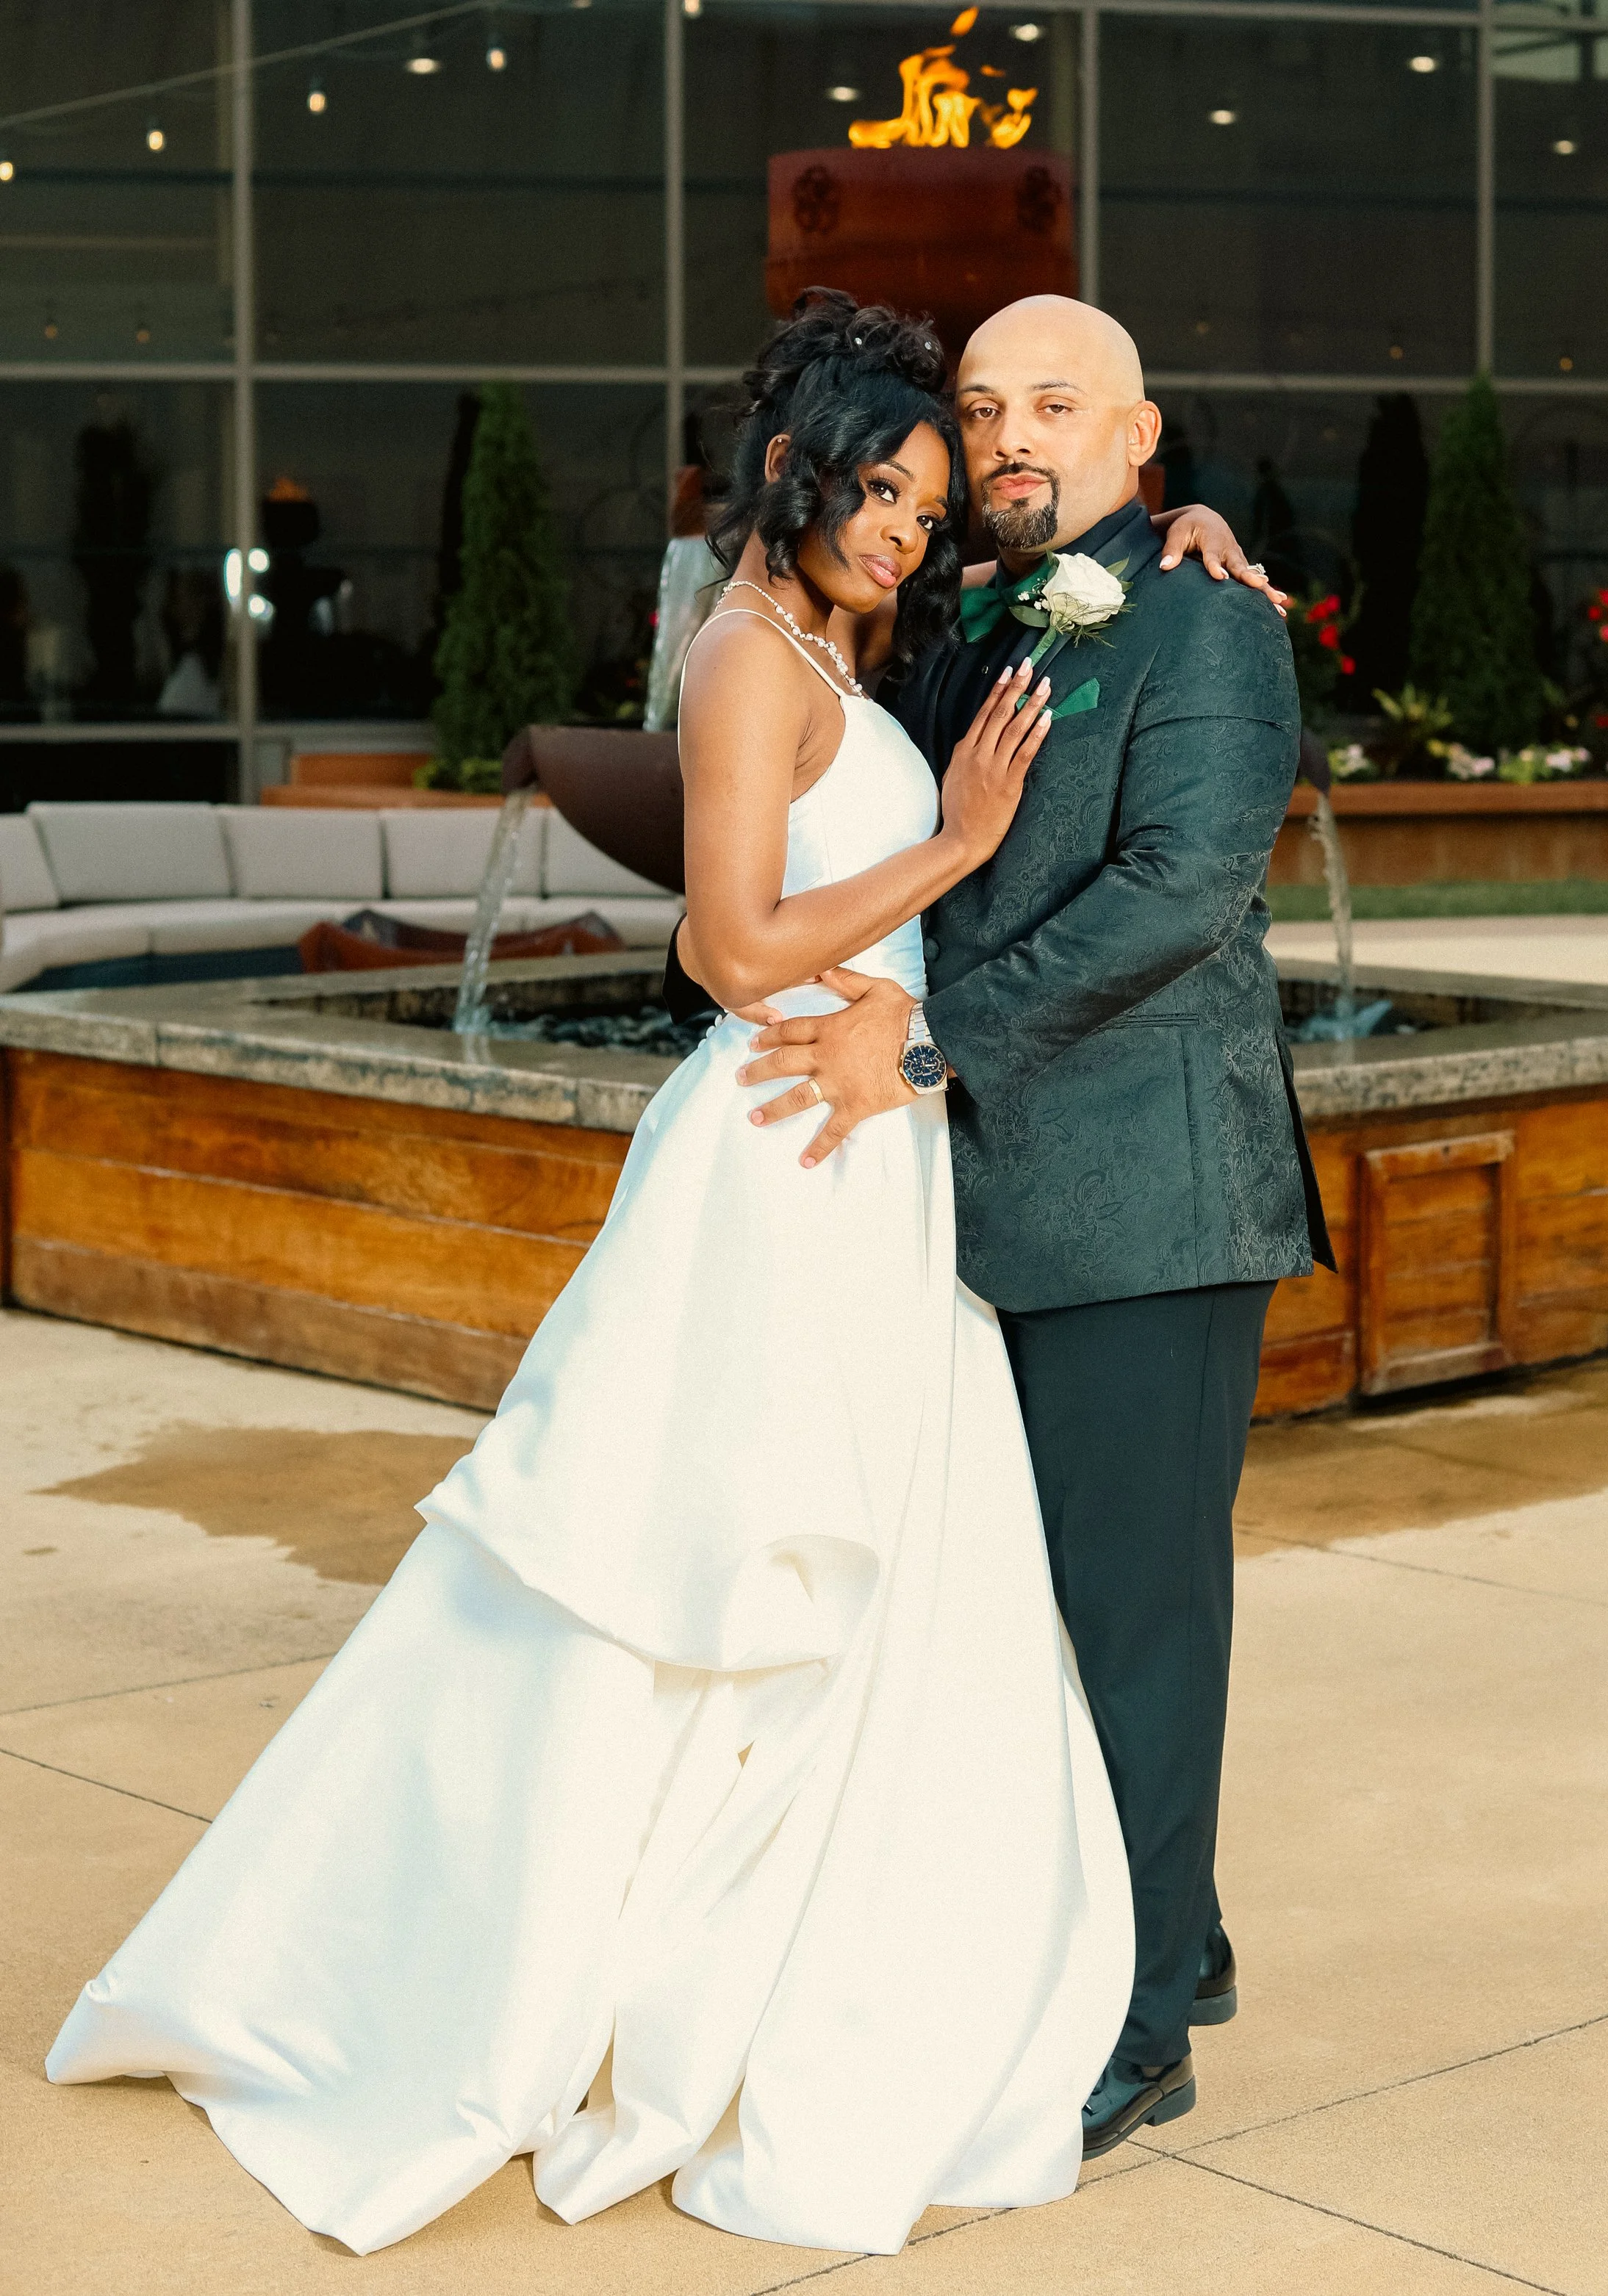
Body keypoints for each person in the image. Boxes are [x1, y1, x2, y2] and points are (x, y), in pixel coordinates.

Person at [44, 298, 1136, 2256]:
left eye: (926, 499)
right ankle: (512, 1982)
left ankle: (750, 1951)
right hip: (772, 1174)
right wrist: (953, 845)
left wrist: (1183, 539)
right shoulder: (742, 657)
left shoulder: (818, 643)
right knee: (688, 1578)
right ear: (799, 474)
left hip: (850, 1163)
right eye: (884, 492)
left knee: (814, 1570)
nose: (910, 529)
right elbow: (726, 949)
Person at [729, 292, 1334, 2155]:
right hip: (986, 1209)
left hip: (1151, 1200)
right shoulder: (962, 619)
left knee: (1132, 1620)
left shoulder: (1207, 619)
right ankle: (1189, 1932)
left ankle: (1143, 2021)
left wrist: (919, 1043)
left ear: (1138, 437)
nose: (1008, 434)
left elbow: (1174, 893)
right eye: (983, 405)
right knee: (1033, 1609)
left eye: (1052, 403)